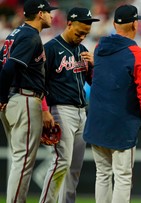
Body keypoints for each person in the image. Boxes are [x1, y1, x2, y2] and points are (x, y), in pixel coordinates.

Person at [83, 4, 141, 203]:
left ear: (114, 24)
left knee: (102, 174)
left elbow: (112, 75)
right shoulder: (137, 54)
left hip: (97, 122)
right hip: (122, 123)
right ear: (135, 24)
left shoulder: (99, 48)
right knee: (123, 176)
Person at [39, 7, 99, 203]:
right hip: (60, 110)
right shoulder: (50, 48)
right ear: (69, 23)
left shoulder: (83, 50)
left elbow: (93, 83)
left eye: (86, 33)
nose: (82, 37)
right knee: (61, 162)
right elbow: (39, 83)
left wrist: (94, 67)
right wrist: (45, 111)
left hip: (82, 111)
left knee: (75, 167)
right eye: (79, 32)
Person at [0, 0, 57, 202]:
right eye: (49, 12)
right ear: (40, 14)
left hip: (15, 98)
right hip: (23, 98)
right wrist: (2, 96)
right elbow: (8, 69)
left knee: (19, 159)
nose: (52, 15)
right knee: (23, 161)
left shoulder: (16, 33)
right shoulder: (30, 36)